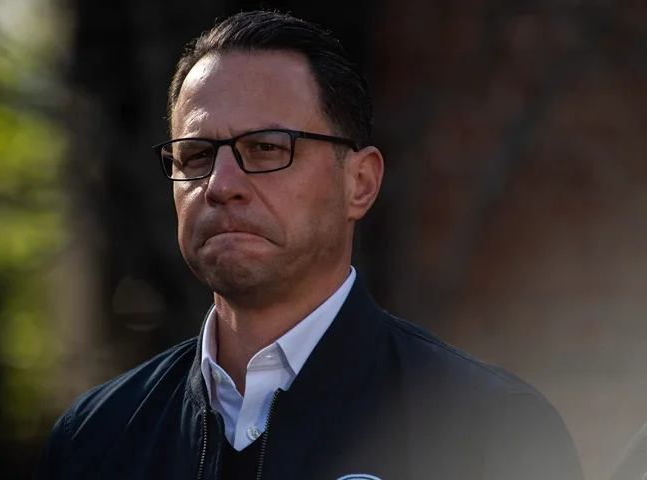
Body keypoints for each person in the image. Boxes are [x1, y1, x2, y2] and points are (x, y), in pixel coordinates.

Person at [34, 10, 584, 480]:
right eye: (196, 156)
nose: (222, 184)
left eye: (268, 147)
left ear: (360, 183)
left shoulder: (489, 429)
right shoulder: (96, 440)